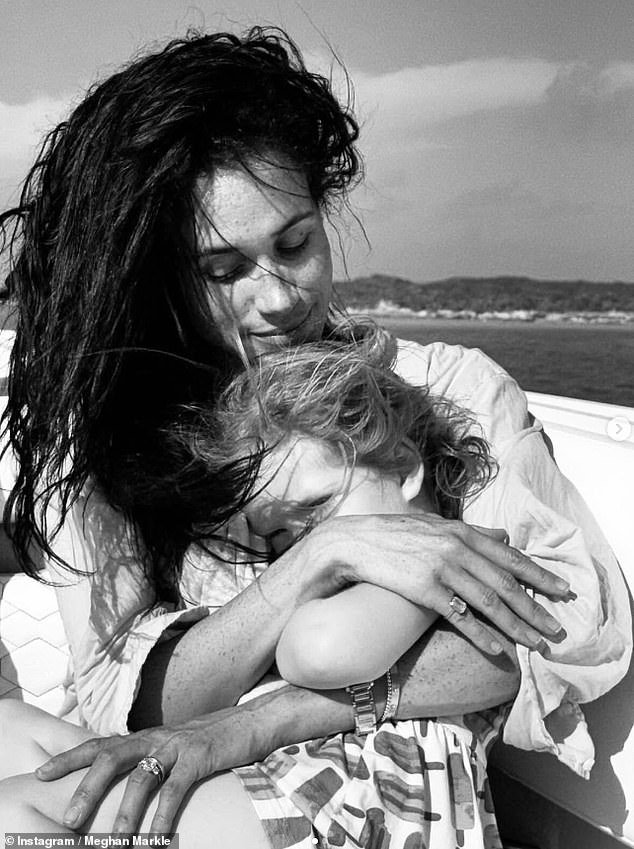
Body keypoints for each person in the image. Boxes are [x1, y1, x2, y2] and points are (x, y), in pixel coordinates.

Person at [0, 26, 629, 846]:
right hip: (194, 775)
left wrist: (262, 722)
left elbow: (575, 628)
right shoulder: (122, 431)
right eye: (223, 270)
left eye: (295, 243)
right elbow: (131, 692)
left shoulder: (440, 391)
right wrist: (324, 557)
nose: (279, 296)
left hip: (334, 792)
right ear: (163, 278)